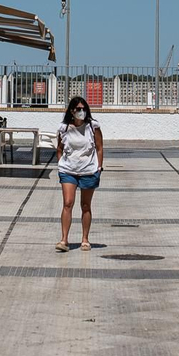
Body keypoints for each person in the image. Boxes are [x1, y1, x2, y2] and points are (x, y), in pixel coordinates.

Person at [55, 96, 104, 253]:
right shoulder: (64, 128)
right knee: (68, 203)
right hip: (68, 170)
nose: (81, 112)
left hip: (88, 170)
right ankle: (64, 240)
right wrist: (61, 164)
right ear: (71, 111)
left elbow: (99, 147)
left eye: (84, 109)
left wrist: (99, 166)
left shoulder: (93, 127)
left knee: (85, 205)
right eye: (78, 109)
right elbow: (59, 148)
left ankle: (85, 239)